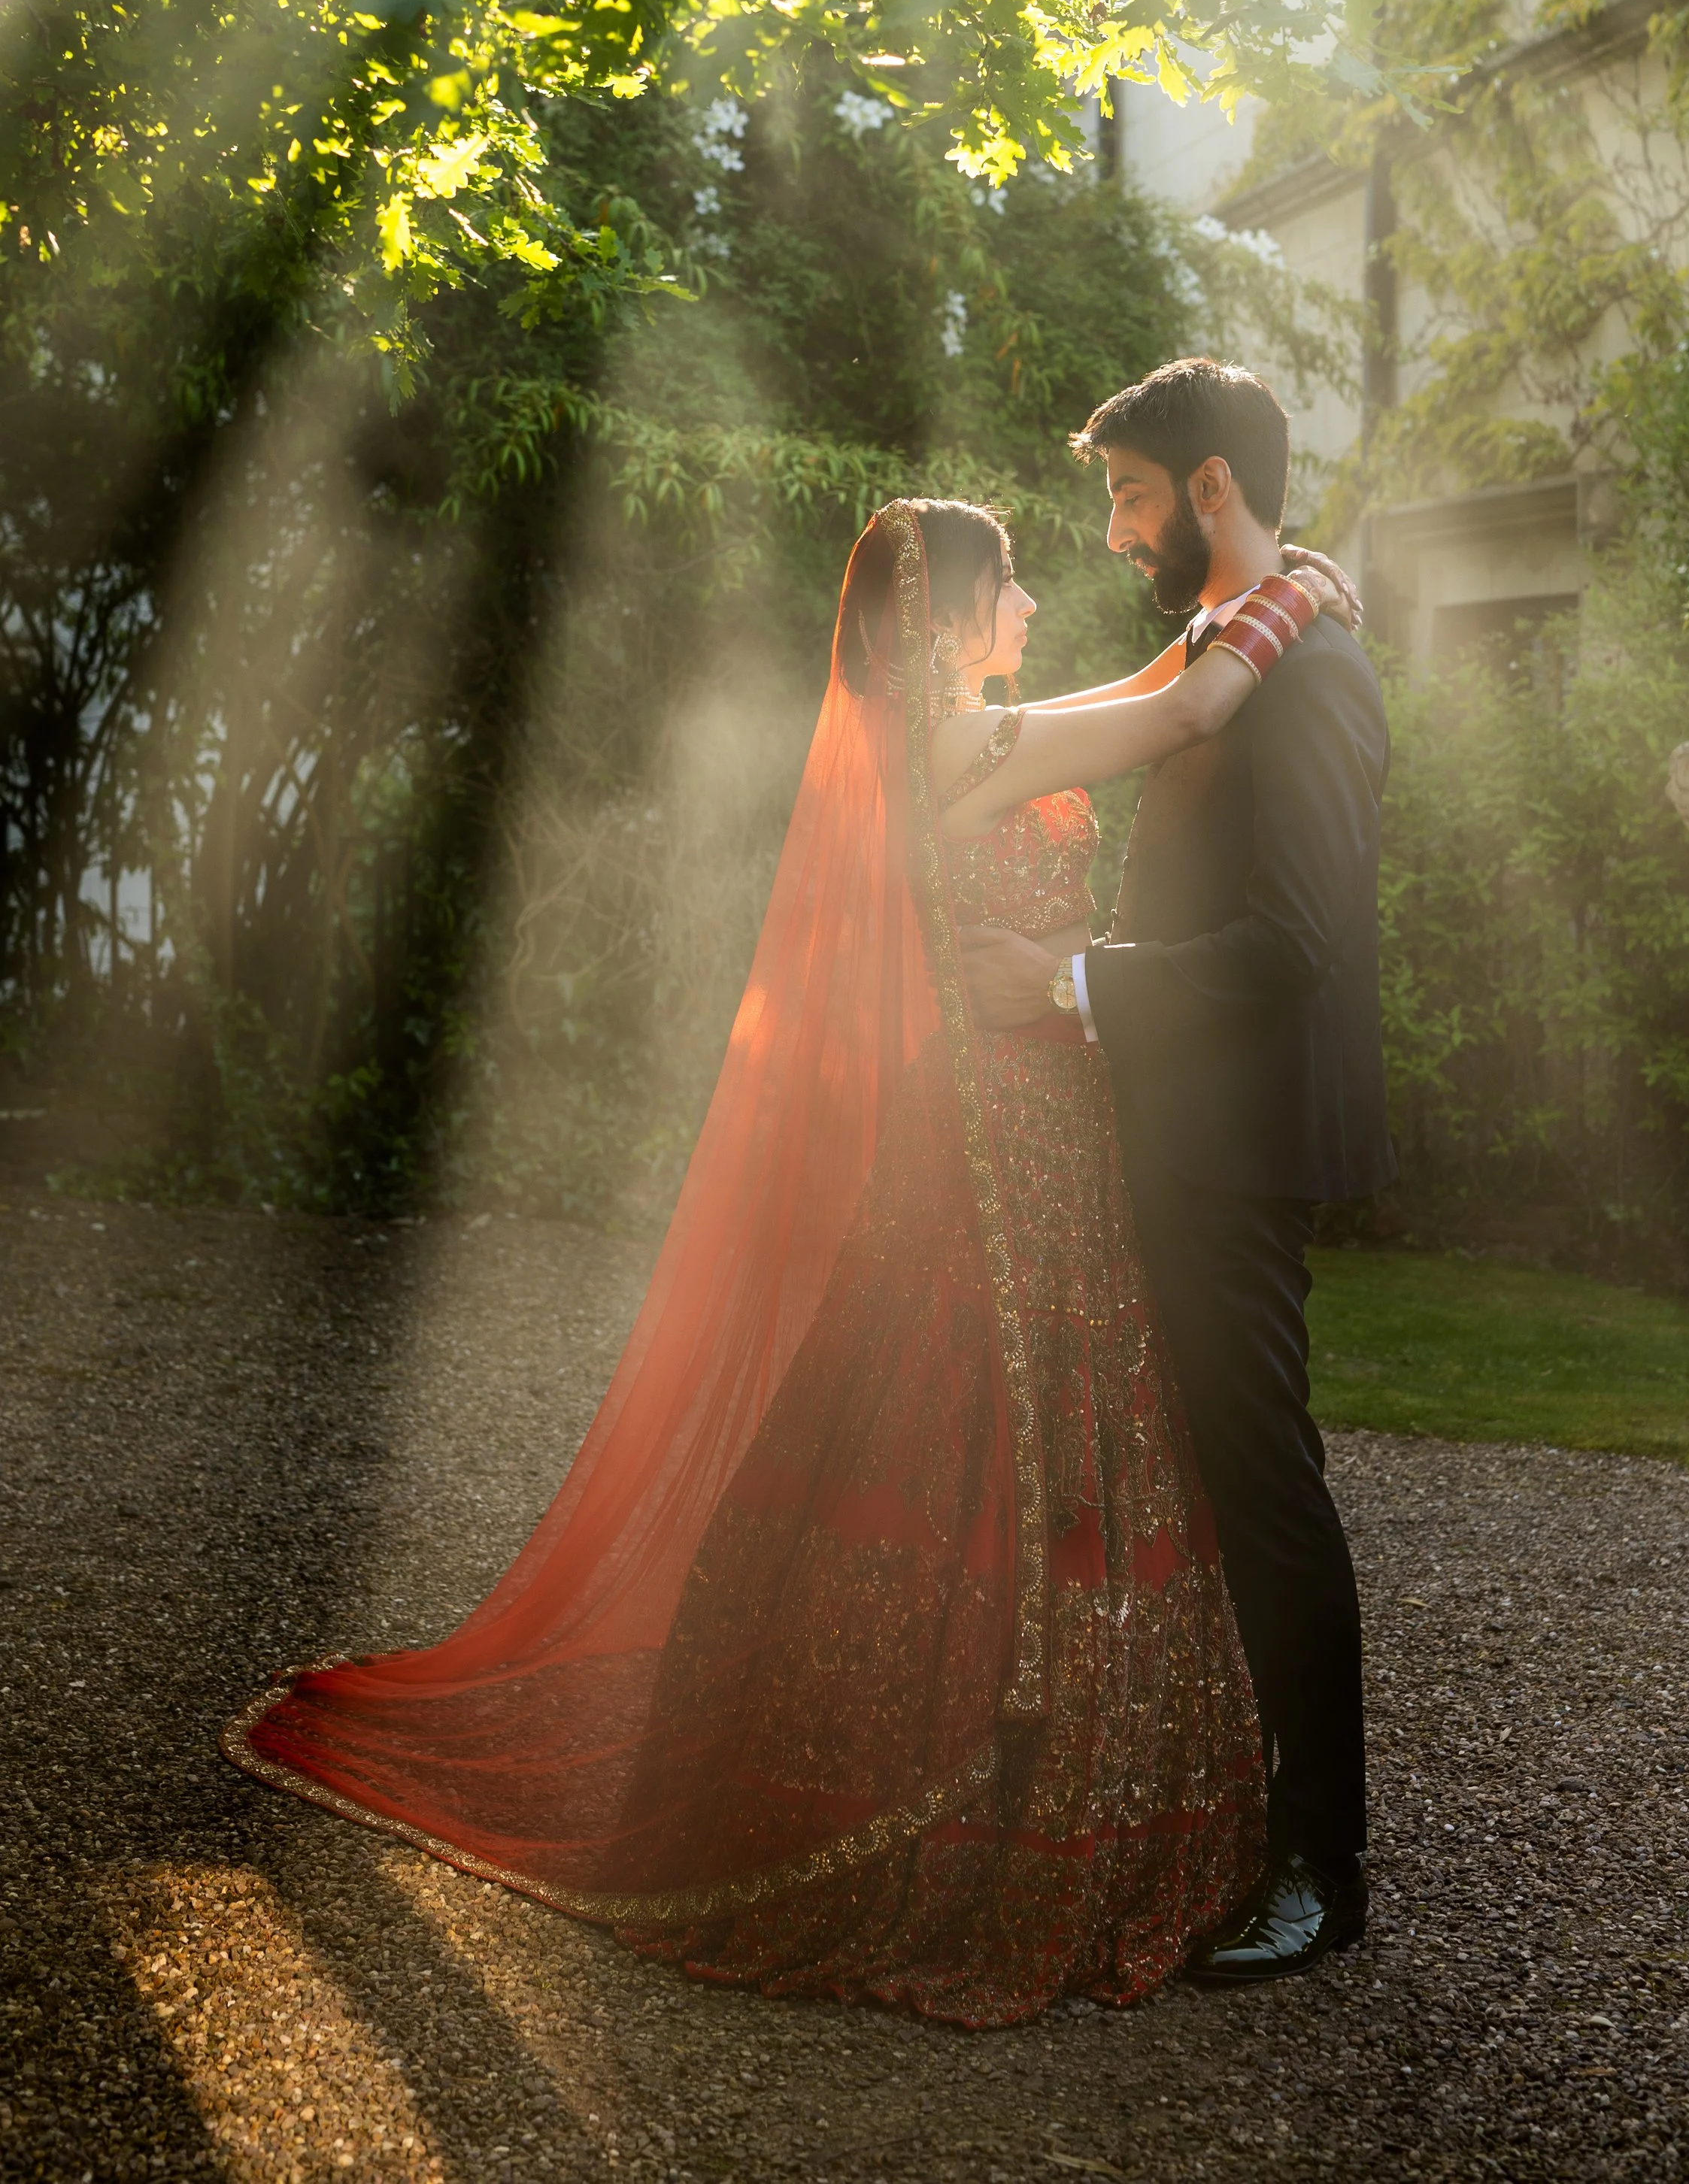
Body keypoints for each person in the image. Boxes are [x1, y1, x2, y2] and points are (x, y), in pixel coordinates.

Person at [225, 495, 1352, 2026]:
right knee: (981, 1437)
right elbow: (1191, 705)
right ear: (951, 617)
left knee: (1034, 1440)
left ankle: (1010, 1771)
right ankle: (962, 1799)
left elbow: (1156, 688)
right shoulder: (960, 751)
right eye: (1008, 582)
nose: (1030, 599)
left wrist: (1242, 613)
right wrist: (1296, 594)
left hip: (1040, 1122)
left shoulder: (970, 734)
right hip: (1000, 1140)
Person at [960, 361, 1395, 1984]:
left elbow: (1288, 946)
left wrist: (1070, 984)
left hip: (1235, 1147)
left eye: (1132, 495)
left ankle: (1319, 1867)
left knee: (1262, 1487)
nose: (1115, 529)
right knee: (1195, 1480)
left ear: (1213, 488)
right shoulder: (1238, 642)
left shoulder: (1312, 673)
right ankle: (1207, 1810)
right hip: (1171, 1125)